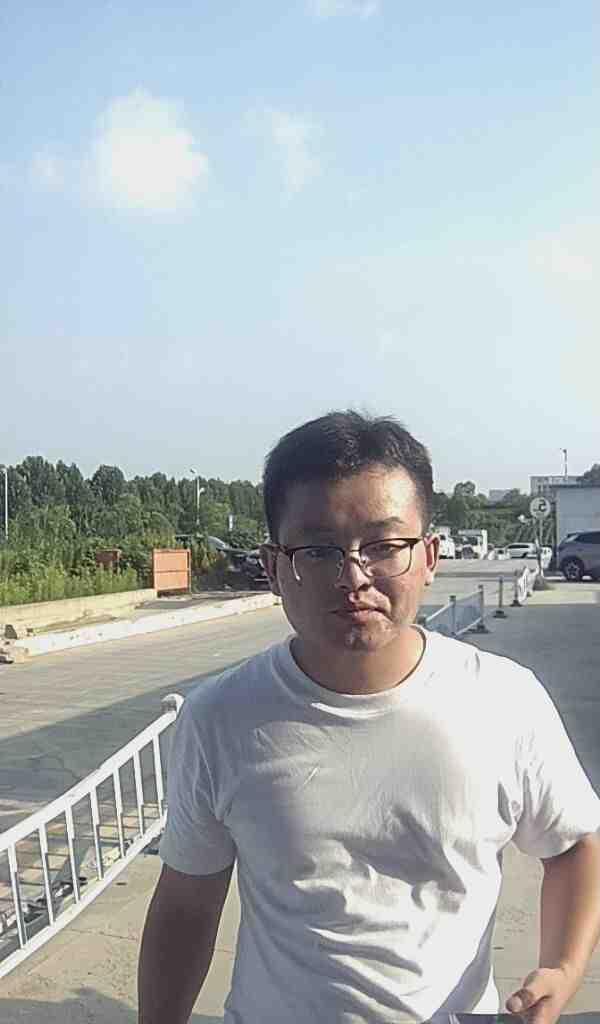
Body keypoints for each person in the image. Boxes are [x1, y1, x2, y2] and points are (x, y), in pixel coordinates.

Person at [138, 410, 600, 1024]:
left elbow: (574, 844)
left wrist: (563, 967)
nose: (353, 576)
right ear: (273, 567)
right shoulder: (221, 718)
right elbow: (186, 902)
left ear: (429, 556)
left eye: (384, 547)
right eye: (318, 550)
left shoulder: (504, 701)